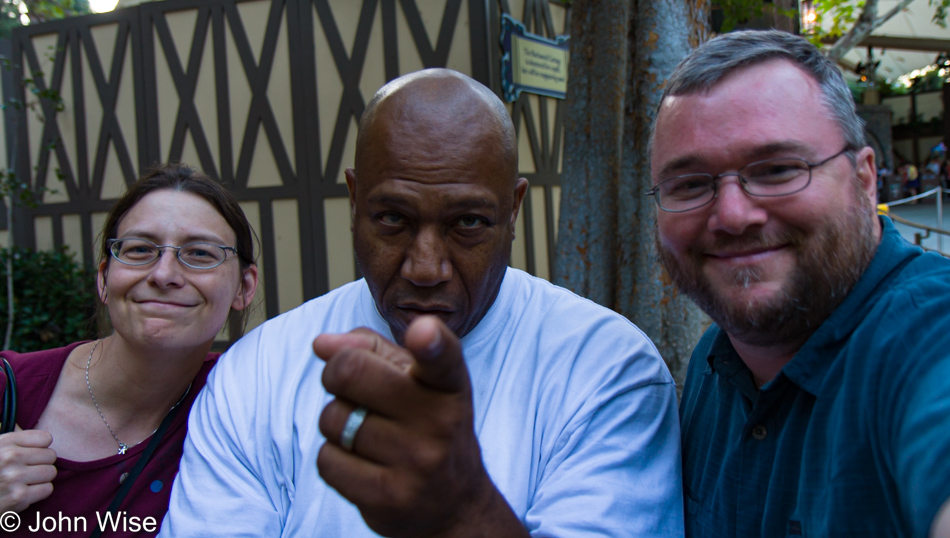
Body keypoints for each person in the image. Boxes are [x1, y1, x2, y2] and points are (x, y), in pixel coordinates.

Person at [161, 69, 683, 536]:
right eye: (393, 219)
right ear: (354, 201)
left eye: (468, 223)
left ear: (515, 210)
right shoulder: (257, 373)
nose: (426, 268)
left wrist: (460, 512)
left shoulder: (609, 371)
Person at [648, 29, 950, 537]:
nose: (732, 214)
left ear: (864, 178)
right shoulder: (712, 362)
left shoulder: (926, 333)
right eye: (692, 184)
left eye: (778, 169)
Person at [0, 164, 258, 537]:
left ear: (243, 287)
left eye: (200, 253)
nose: (164, 274)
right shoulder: (11, 391)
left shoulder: (248, 407)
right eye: (139, 249)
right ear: (104, 278)